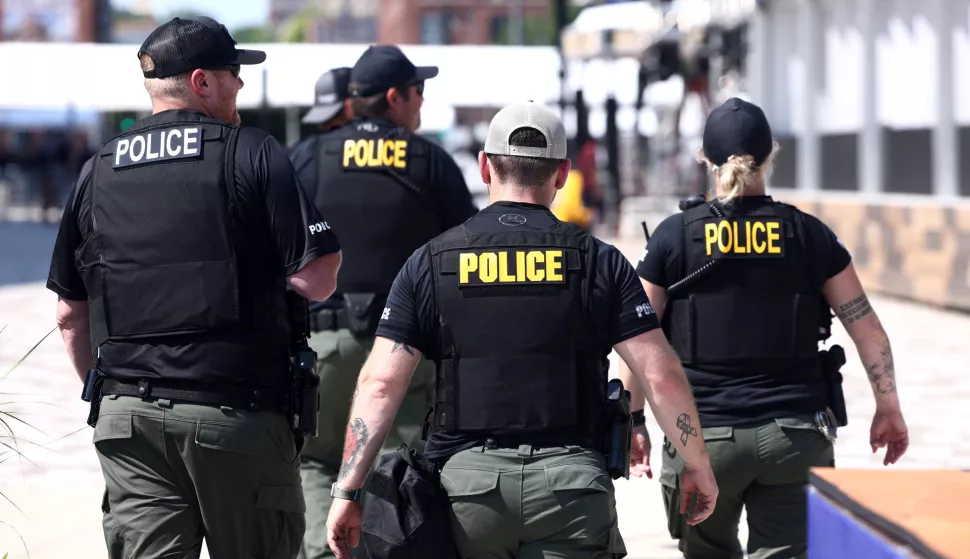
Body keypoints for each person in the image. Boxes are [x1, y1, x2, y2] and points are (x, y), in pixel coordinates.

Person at [323, 101, 719, 559]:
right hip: (572, 490)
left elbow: (380, 384)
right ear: (563, 173)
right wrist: (697, 463)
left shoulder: (431, 262)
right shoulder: (599, 260)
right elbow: (660, 375)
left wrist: (347, 491)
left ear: (485, 167)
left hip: (466, 495)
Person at [46, 16, 343, 559]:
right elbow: (315, 278)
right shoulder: (252, 152)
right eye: (234, 73)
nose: (242, 85)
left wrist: (109, 386)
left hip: (126, 421)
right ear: (203, 81)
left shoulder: (98, 170)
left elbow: (70, 313)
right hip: (236, 414)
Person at [620, 97, 910, 559]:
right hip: (793, 438)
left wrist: (632, 421)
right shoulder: (808, 234)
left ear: (706, 160)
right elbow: (868, 331)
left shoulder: (674, 237)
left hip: (702, 439)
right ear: (769, 156)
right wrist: (888, 407)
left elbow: (638, 340)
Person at [287, 45, 479, 559]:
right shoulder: (431, 161)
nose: (421, 103)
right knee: (403, 467)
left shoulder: (308, 157)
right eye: (419, 92)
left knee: (320, 462)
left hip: (323, 341)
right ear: (395, 97)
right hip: (407, 353)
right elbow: (466, 258)